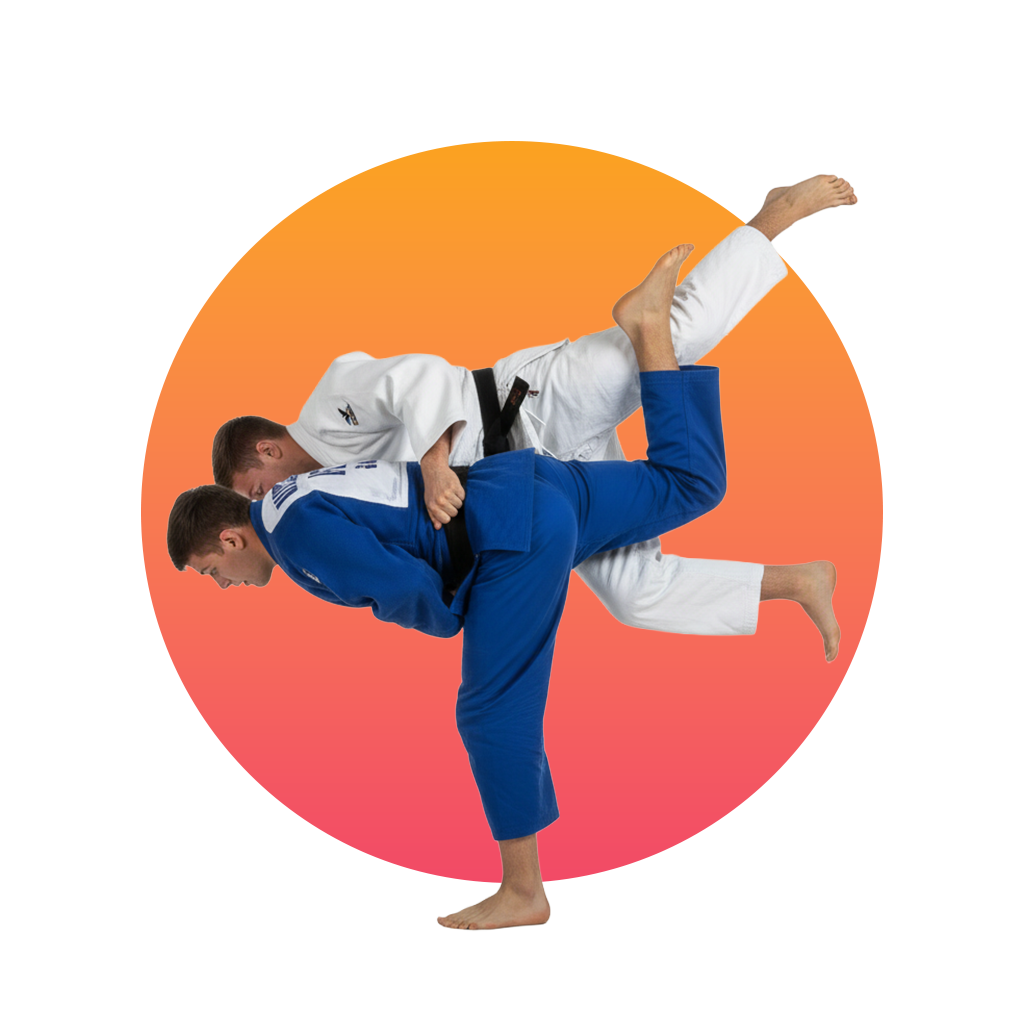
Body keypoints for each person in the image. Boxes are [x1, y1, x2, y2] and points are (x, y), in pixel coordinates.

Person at [168, 245, 841, 930]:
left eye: (210, 570)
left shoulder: (291, 529)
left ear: (229, 537)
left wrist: (456, 614)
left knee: (490, 711)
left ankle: (523, 890)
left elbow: (399, 584)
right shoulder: (309, 487)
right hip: (526, 479)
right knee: (686, 489)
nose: (221, 584)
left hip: (512, 524)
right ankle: (793, 565)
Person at [211, 175, 857, 645]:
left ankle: (774, 215)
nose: (264, 500)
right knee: (634, 595)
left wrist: (435, 464)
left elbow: (418, 377)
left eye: (255, 487)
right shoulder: (325, 506)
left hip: (528, 405)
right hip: (535, 494)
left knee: (677, 333)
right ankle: (800, 582)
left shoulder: (329, 401)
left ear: (267, 449)